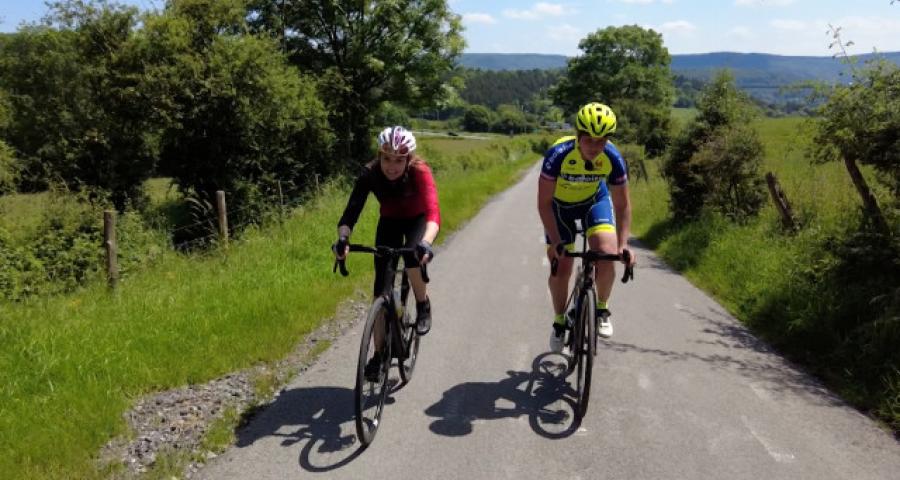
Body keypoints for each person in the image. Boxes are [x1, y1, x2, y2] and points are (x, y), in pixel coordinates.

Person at [333, 126, 440, 377]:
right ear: (379, 156)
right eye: (387, 159)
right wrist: (343, 240)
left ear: (408, 159)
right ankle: (379, 355)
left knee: (413, 257)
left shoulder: (419, 171)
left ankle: (423, 305)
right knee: (380, 291)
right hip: (389, 221)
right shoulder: (369, 174)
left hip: (417, 220)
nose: (392, 166)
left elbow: (433, 213)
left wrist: (426, 242)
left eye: (399, 160)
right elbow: (350, 214)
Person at [537, 103, 637, 353]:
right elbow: (544, 203)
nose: (595, 147)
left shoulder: (612, 157)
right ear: (578, 136)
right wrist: (557, 242)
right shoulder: (558, 155)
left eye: (601, 141)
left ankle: (601, 308)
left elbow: (623, 205)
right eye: (589, 140)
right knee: (562, 267)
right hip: (559, 208)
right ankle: (560, 321)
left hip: (594, 201)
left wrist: (623, 244)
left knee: (607, 252)